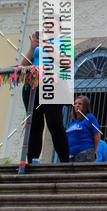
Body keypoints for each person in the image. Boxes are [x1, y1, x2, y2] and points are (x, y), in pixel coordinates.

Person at [21, 31, 70, 163]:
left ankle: (64, 160)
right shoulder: (37, 47)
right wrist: (32, 48)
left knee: (54, 122)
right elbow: (22, 66)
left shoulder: (63, 43)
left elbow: (66, 63)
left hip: (53, 85)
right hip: (33, 86)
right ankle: (32, 160)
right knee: (34, 124)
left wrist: (47, 45)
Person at [66, 95, 101, 162]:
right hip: (71, 155)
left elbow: (96, 134)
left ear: (85, 106)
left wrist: (94, 151)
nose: (77, 105)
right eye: (75, 104)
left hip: (85, 152)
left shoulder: (89, 117)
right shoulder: (72, 122)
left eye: (80, 104)